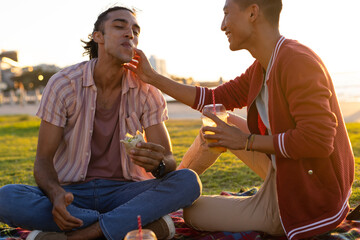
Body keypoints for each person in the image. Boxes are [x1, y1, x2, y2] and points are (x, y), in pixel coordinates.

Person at [124, 0, 355, 239]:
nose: (223, 25)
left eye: (226, 14)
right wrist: (152, 78)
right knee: (222, 124)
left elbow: (318, 140)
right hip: (286, 169)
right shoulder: (263, 66)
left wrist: (246, 141)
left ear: (253, 13)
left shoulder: (297, 61)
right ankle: (167, 192)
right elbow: (213, 98)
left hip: (309, 197)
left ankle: (167, 196)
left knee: (192, 213)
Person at [0, 6, 201, 240]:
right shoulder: (63, 85)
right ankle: (138, 223)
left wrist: (158, 164)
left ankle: (81, 235)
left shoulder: (147, 91)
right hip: (72, 194)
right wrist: (56, 196)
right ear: (98, 37)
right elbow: (43, 161)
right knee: (6, 197)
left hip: (128, 192)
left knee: (188, 181)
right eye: (119, 26)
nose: (130, 34)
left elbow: (169, 161)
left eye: (135, 31)